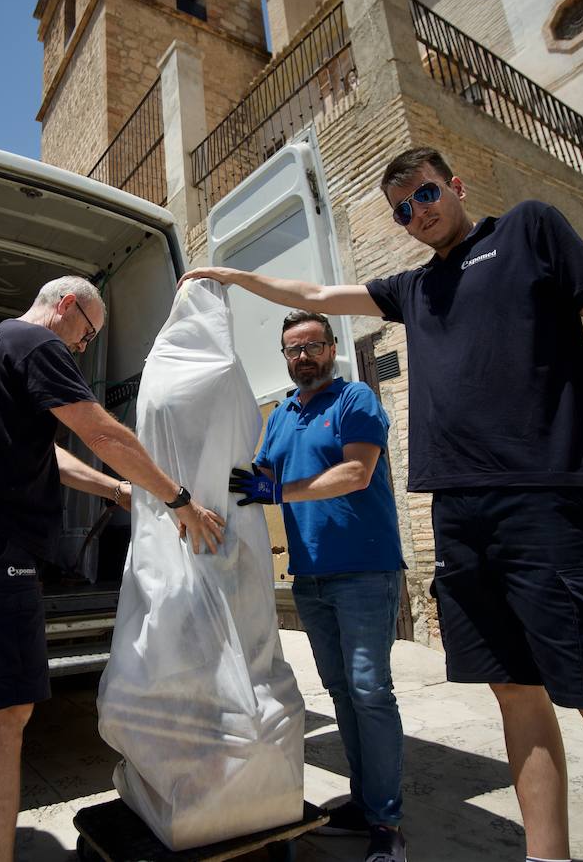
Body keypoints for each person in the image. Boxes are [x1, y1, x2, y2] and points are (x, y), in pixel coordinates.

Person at [182, 146, 583, 862]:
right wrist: (234, 277)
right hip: (458, 512)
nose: (417, 213)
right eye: (402, 209)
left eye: (425, 195)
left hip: (539, 500)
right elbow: (319, 295)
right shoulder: (413, 290)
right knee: (515, 695)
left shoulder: (527, 230)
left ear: (454, 185)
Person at [0, 275, 225, 862]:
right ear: (67, 306)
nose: (82, 346)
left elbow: (43, 450)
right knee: (6, 714)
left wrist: (118, 490)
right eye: (87, 332)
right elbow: (99, 429)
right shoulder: (40, 344)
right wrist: (178, 499)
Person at [228, 310, 408, 862]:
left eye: (312, 345)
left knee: (370, 691)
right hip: (310, 577)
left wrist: (277, 492)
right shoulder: (281, 414)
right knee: (341, 694)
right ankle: (363, 802)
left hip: (363, 571)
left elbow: (355, 473)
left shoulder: (355, 400)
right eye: (292, 349)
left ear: (331, 348)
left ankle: (387, 823)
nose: (302, 356)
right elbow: (252, 477)